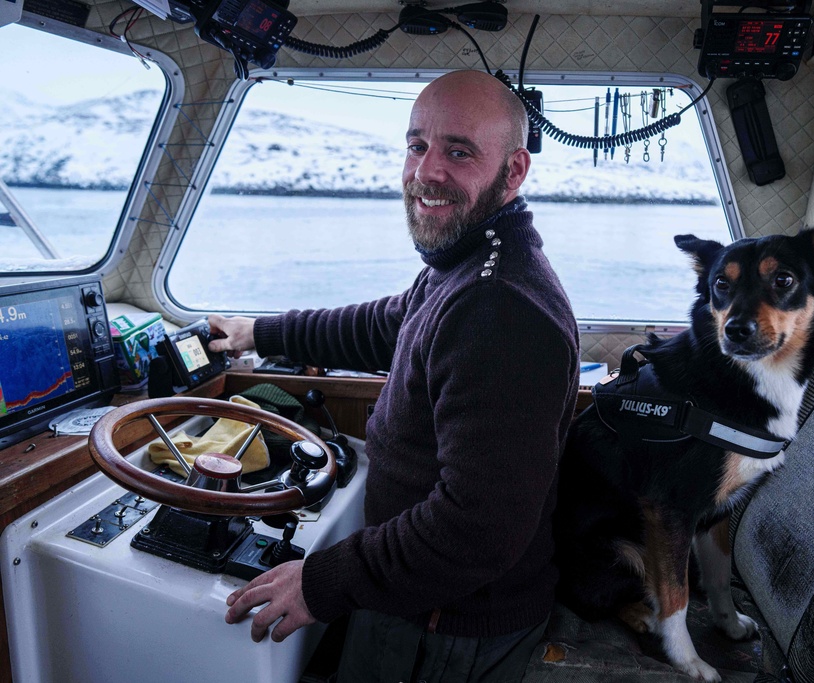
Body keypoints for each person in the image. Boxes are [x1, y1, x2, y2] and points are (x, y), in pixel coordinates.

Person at [212, 69, 580, 682]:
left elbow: (477, 529)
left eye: (459, 152)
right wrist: (259, 332)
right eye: (417, 146)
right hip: (418, 596)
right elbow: (385, 325)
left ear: (514, 170)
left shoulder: (502, 308)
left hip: (444, 628)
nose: (426, 171)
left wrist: (320, 582)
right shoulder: (467, 263)